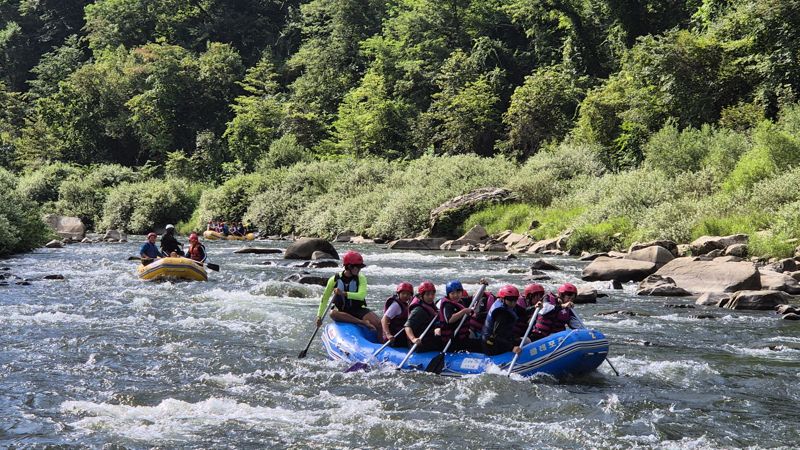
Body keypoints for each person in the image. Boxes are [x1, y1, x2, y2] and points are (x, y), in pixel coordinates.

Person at [315, 251, 382, 339]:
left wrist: (343, 293)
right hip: (342, 311)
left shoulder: (361, 278)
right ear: (349, 266)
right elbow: (325, 298)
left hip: (357, 309)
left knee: (378, 323)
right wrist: (319, 316)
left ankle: (382, 341)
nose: (359, 269)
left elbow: (361, 295)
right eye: (358, 267)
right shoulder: (334, 279)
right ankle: (362, 322)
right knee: (332, 313)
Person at [437, 280, 482, 352]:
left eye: (458, 292)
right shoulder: (447, 305)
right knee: (480, 345)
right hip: (452, 341)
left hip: (462, 338)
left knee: (480, 343)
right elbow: (449, 320)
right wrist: (463, 311)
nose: (456, 295)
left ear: (461, 292)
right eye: (453, 293)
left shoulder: (461, 301)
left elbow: (476, 297)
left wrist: (483, 286)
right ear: (448, 294)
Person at [482, 285, 526, 356]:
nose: (513, 302)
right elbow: (496, 336)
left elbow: (524, 312)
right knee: (527, 341)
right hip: (492, 345)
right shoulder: (501, 315)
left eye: (515, 299)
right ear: (502, 299)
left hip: (504, 339)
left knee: (526, 340)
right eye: (510, 300)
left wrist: (535, 307)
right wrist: (512, 348)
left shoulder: (507, 305)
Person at [404, 281, 443, 352]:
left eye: (432, 294)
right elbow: (407, 326)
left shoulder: (430, 305)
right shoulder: (419, 310)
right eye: (428, 295)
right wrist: (413, 339)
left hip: (430, 338)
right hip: (421, 344)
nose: (431, 297)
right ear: (421, 296)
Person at [382, 282, 412, 347]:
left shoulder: (407, 304)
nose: (405, 296)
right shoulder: (396, 305)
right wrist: (388, 334)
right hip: (394, 336)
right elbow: (384, 319)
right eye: (403, 293)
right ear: (398, 294)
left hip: (401, 334)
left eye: (408, 294)